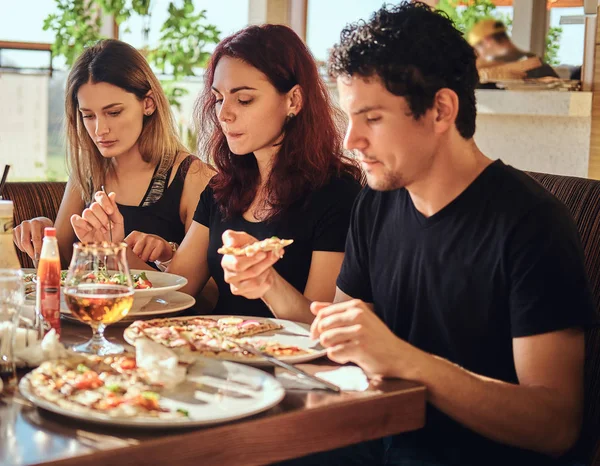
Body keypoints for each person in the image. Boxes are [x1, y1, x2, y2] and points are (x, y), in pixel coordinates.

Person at [220, 3, 596, 465]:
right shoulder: (376, 203)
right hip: (377, 441)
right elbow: (340, 338)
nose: (349, 140)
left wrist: (406, 361)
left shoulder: (531, 225)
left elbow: (555, 424)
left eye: (372, 118)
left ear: (441, 109)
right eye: (349, 116)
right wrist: (267, 284)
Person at [83, 25, 363, 322]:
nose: (224, 113)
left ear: (293, 100)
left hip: (285, 363)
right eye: (218, 98)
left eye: (243, 100)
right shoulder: (222, 189)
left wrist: (267, 283)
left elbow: (321, 324)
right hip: (217, 356)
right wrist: (113, 250)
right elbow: (175, 293)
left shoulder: (337, 194)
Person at [13, 39, 212, 269]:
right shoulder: (86, 171)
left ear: (148, 103)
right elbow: (64, 266)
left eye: (114, 112)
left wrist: (149, 256)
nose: (100, 130)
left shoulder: (192, 177)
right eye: (88, 116)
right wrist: (42, 237)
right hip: (88, 305)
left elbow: (209, 295)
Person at [468, 18, 558, 81]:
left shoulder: (535, 67)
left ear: (487, 41)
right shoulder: (537, 64)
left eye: (477, 49)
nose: (479, 56)